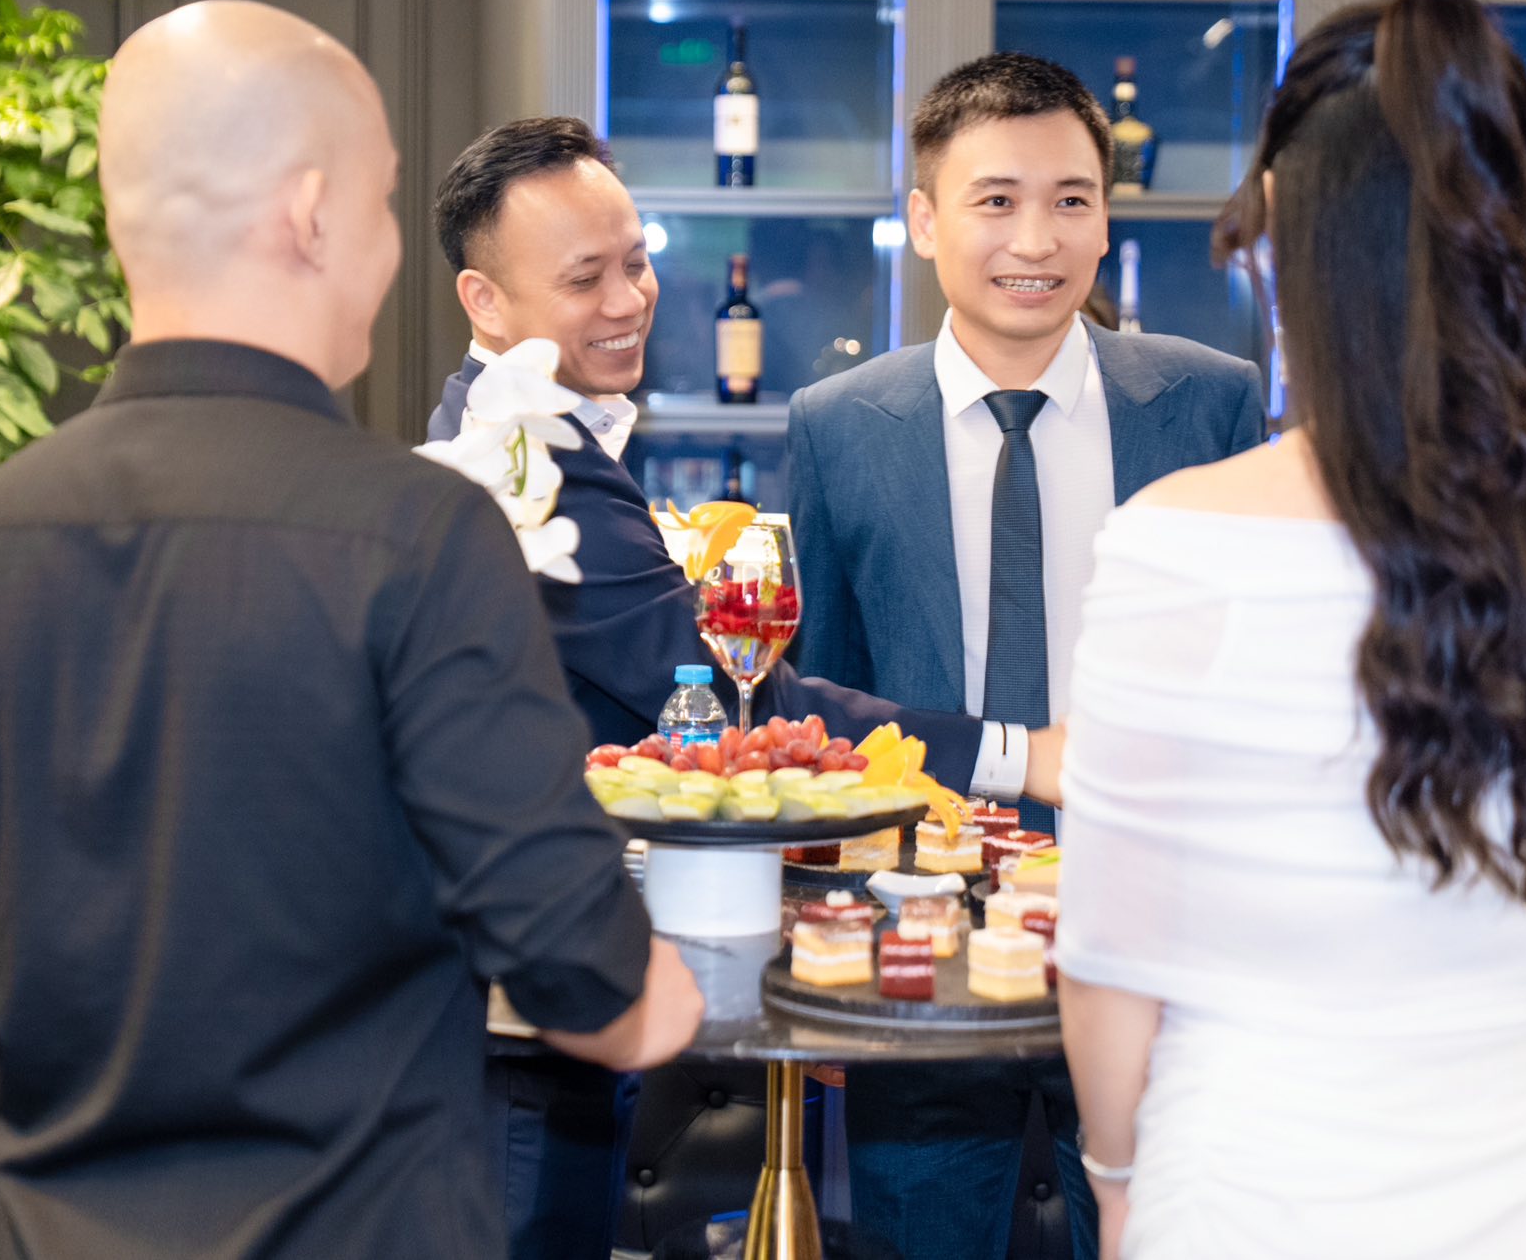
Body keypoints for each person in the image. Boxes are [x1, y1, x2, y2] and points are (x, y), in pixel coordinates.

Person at [0, 0, 703, 1258]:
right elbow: (591, 981)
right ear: (312, 214)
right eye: (381, 202)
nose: (385, 245)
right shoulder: (426, 534)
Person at [1055, 0, 1526, 1259]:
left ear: (1281, 219)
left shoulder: (1176, 542)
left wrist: (1115, 1180)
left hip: (1244, 1196)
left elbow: (1109, 959)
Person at [427, 113, 1065, 1259]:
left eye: (635, 261)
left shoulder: (516, 427)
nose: (627, 300)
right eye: (584, 277)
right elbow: (739, 707)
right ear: (484, 300)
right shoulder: (528, 459)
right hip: (525, 1006)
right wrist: (1021, 753)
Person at [785, 52, 1263, 1260]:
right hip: (919, 947)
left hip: (1160, 946)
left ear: (1104, 220)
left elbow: (1247, 685)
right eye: (994, 200)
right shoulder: (837, 427)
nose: (1035, 239)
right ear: (923, 219)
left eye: (1069, 200)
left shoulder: (1208, 403)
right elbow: (825, 708)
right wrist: (830, 954)